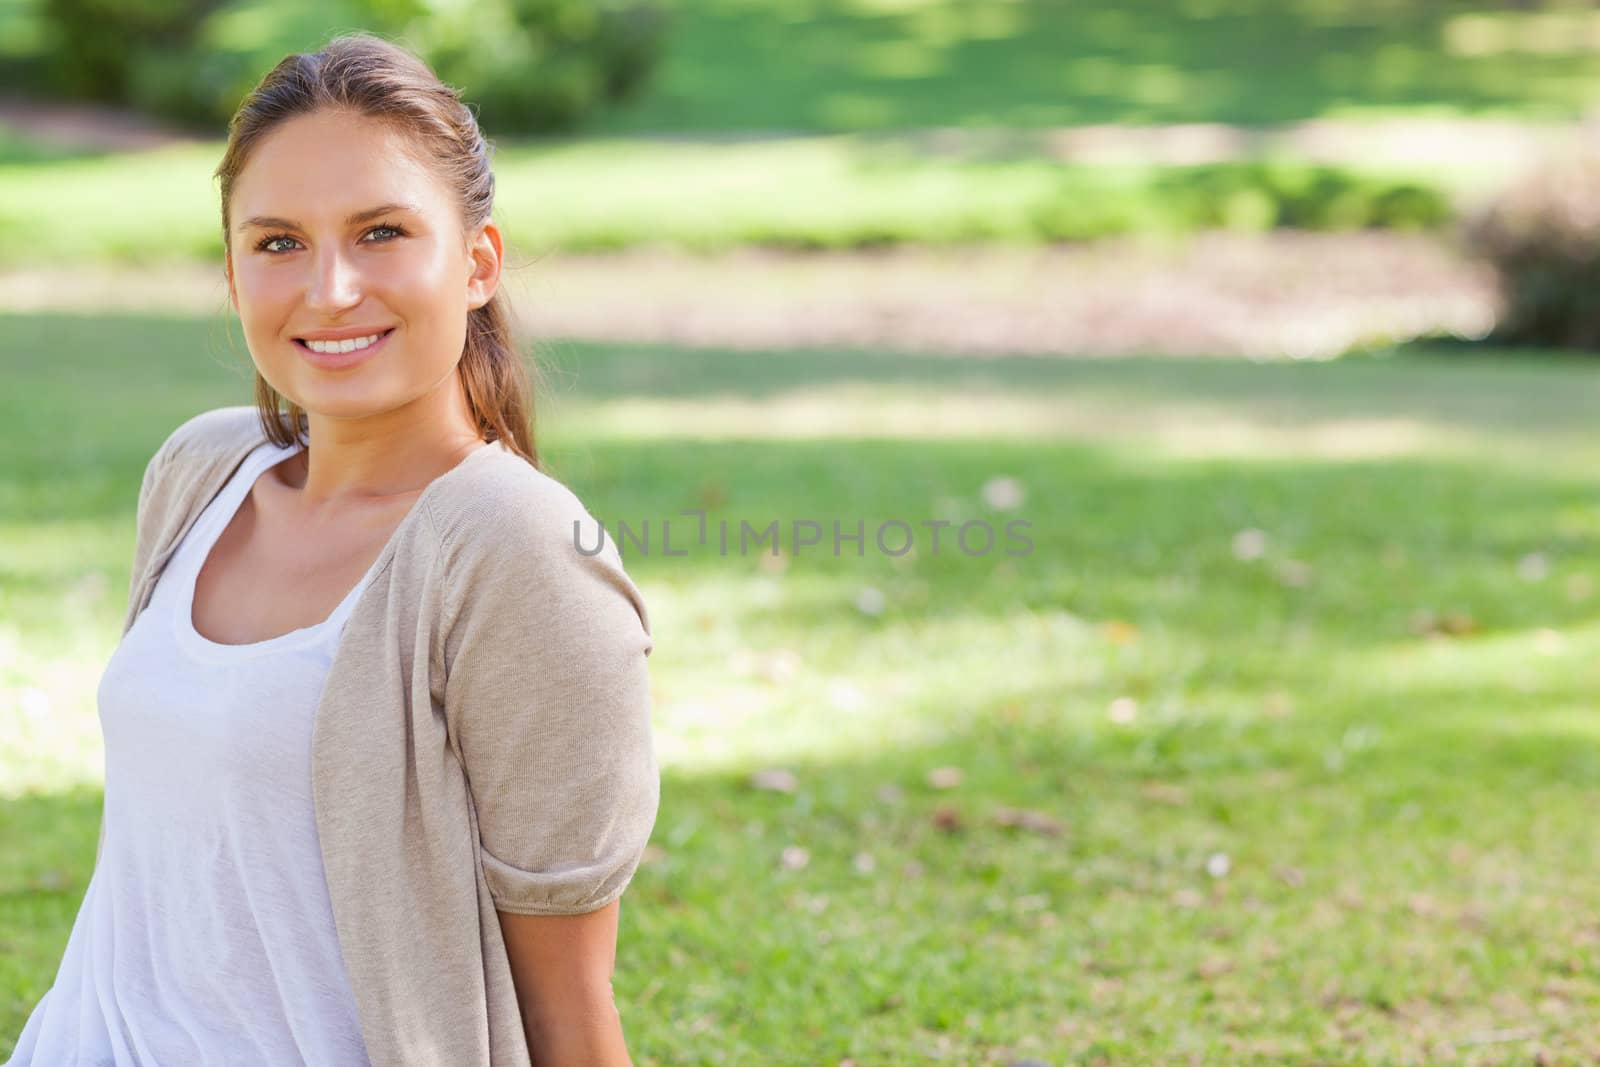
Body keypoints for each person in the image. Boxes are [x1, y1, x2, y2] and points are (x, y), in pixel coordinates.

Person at [3, 31, 659, 1067]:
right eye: (278, 242)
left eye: (382, 231)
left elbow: (569, 1009)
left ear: (477, 262)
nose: (332, 288)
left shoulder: (516, 552)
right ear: (232, 271)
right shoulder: (200, 474)